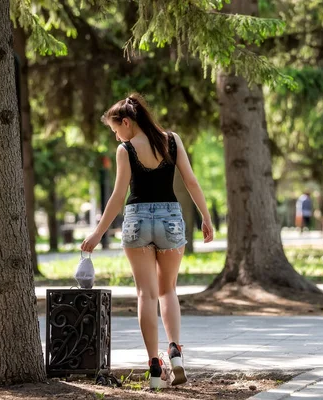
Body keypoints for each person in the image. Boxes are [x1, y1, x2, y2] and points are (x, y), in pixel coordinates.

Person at [80, 93, 214, 389]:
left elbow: (117, 197)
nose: (115, 135)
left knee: (146, 294)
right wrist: (206, 217)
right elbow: (191, 181)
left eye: (115, 129)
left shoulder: (125, 149)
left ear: (126, 122)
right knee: (168, 291)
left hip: (137, 221)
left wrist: (97, 233)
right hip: (170, 219)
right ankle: (175, 350)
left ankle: (154, 366)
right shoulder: (173, 140)